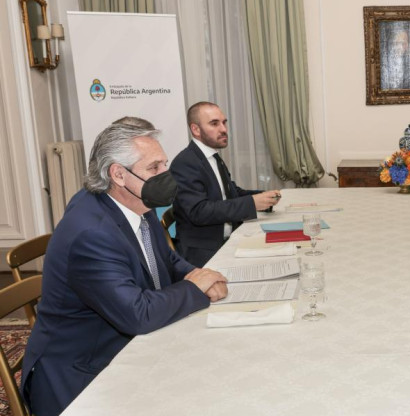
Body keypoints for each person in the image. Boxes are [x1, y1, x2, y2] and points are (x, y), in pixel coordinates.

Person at [21, 122, 228, 416]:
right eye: (154, 168)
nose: (166, 176)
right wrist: (195, 287)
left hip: (125, 346)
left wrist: (200, 276)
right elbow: (138, 315)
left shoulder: (136, 204)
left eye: (164, 165)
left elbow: (166, 260)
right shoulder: (91, 233)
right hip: (83, 374)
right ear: (118, 174)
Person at [170, 102, 282, 267]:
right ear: (195, 129)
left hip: (227, 240)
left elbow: (231, 192)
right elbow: (199, 212)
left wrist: (263, 197)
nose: (223, 129)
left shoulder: (213, 157)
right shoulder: (185, 163)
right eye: (214, 124)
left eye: (224, 122)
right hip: (203, 252)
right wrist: (251, 203)